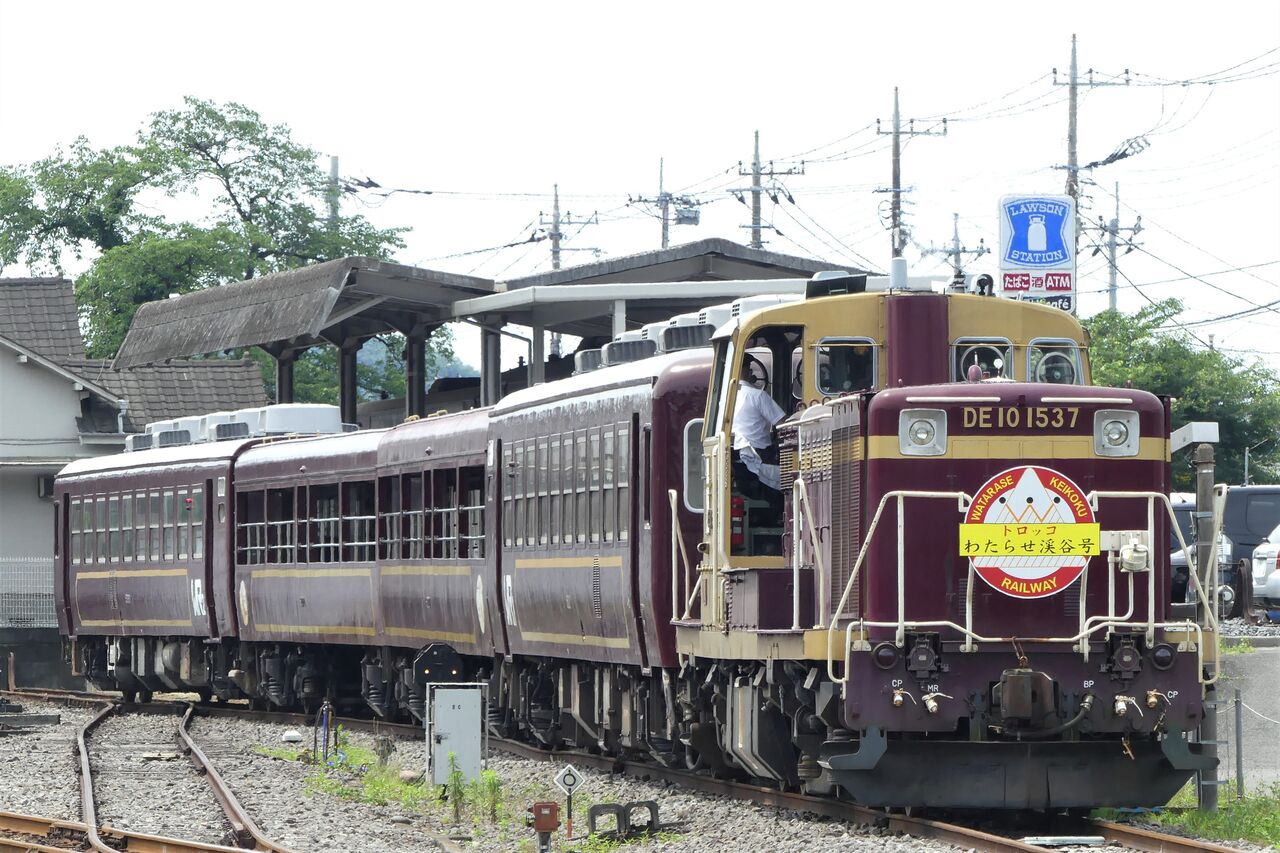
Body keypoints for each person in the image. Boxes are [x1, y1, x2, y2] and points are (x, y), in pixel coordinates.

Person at [731, 365, 786, 499]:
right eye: (749, 369)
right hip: (758, 458)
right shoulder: (757, 395)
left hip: (735, 460)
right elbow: (783, 424)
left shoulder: (726, 398)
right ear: (747, 372)